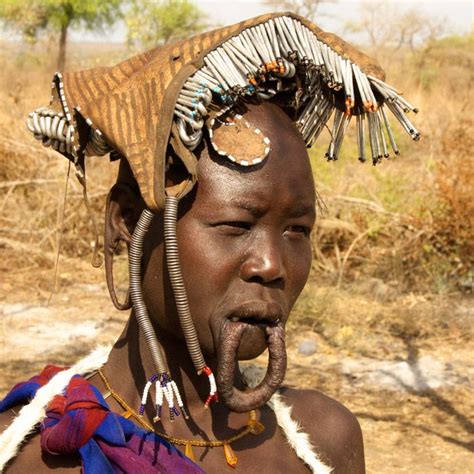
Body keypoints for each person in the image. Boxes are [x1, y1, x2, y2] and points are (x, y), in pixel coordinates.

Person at [0, 12, 419, 473]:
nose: (270, 264)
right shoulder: (45, 452)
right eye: (236, 226)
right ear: (127, 219)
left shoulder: (322, 442)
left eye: (296, 230)